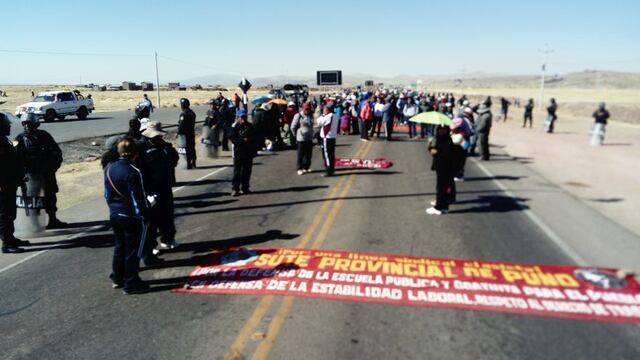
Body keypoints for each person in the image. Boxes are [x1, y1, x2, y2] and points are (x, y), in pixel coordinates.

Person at [103, 137, 149, 294]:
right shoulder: (134, 171)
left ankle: (117, 277)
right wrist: (144, 214)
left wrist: (113, 208)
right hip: (130, 215)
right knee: (133, 250)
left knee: (119, 246)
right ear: (135, 153)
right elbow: (138, 198)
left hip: (115, 213)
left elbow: (107, 194)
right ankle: (131, 282)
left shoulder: (109, 168)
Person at [15, 113, 67, 229]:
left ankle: (52, 219)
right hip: (31, 175)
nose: (27, 126)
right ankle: (35, 223)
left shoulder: (44, 136)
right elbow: (15, 158)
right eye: (24, 124)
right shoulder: (20, 139)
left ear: (35, 124)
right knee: (33, 199)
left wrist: (54, 167)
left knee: (50, 196)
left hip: (47, 172)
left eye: (29, 123)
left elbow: (57, 152)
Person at [141, 122, 179, 262]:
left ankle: (168, 238)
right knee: (152, 219)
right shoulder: (142, 148)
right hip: (150, 189)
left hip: (165, 185)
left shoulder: (165, 146)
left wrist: (168, 152)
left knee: (167, 214)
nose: (157, 138)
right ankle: (151, 245)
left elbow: (174, 159)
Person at [0, 113, 30, 253]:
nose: (9, 125)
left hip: (9, 182)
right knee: (4, 214)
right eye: (6, 123)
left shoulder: (4, 140)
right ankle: (6, 243)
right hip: (3, 185)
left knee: (10, 212)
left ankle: (10, 238)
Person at [426, 125, 454, 215]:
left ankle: (439, 207)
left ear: (447, 130)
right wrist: (430, 146)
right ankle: (444, 206)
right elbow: (433, 150)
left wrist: (437, 152)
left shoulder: (447, 140)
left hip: (445, 166)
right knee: (442, 187)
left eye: (443, 129)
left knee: (441, 187)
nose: (441, 131)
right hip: (440, 165)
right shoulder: (439, 139)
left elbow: (446, 153)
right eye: (439, 129)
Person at [229, 109, 255, 196]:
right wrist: (242, 140)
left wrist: (250, 142)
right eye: (241, 117)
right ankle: (235, 188)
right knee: (237, 172)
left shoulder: (250, 126)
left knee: (247, 171)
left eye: (244, 116)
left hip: (248, 152)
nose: (243, 119)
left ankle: (245, 187)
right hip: (238, 152)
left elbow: (254, 138)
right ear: (238, 117)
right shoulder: (235, 127)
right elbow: (233, 139)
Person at [291, 102, 315, 175]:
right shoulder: (298, 115)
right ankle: (299, 168)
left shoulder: (311, 116)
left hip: (309, 137)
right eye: (305, 109)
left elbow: (312, 125)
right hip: (301, 138)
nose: (307, 110)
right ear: (302, 108)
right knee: (301, 154)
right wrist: (296, 135)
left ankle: (306, 167)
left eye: (308, 109)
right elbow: (293, 127)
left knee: (308, 154)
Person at [317, 103, 338, 177]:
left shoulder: (328, 116)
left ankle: (328, 170)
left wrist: (322, 115)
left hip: (327, 137)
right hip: (332, 137)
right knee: (331, 154)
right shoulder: (335, 116)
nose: (324, 110)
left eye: (325, 109)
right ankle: (331, 169)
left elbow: (319, 122)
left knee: (327, 155)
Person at [177, 98, 197, 168]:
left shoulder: (183, 114)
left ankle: (188, 164)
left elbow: (181, 125)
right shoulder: (192, 113)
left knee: (186, 149)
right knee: (192, 148)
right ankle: (194, 162)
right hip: (191, 132)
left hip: (184, 135)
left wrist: (178, 133)